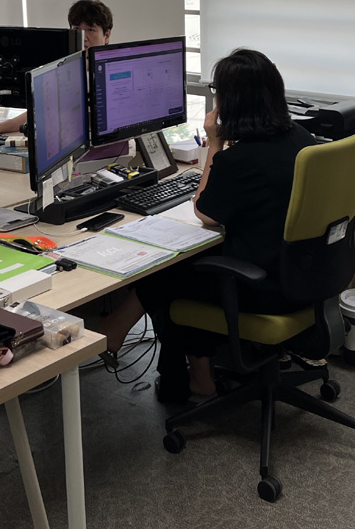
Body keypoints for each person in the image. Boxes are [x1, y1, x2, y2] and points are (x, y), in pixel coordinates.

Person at [99, 48, 316, 403]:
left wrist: (215, 142)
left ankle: (181, 370)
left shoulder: (240, 159)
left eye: (217, 92)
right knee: (180, 268)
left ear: (231, 102)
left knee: (165, 272)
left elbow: (204, 211)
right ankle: (165, 358)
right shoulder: (302, 139)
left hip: (263, 288)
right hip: (304, 275)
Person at [0, 0, 114, 135]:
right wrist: (0, 126)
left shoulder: (115, 70)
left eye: (91, 30)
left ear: (106, 36)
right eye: (77, 30)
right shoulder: (66, 70)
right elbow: (41, 109)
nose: (84, 37)